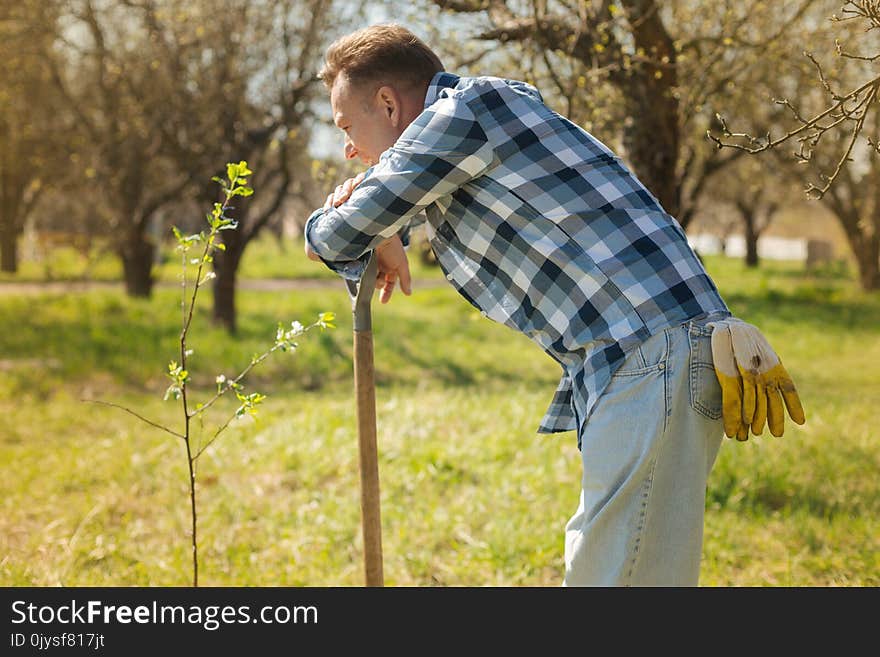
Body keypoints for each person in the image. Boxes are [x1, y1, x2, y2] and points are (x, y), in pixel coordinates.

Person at [304, 23, 805, 586]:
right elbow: (389, 211)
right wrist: (384, 226)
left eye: (348, 126)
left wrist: (352, 215)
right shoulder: (478, 129)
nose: (349, 149)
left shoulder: (465, 112)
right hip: (650, 353)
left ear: (389, 103)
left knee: (612, 580)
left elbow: (337, 234)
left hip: (647, 351)